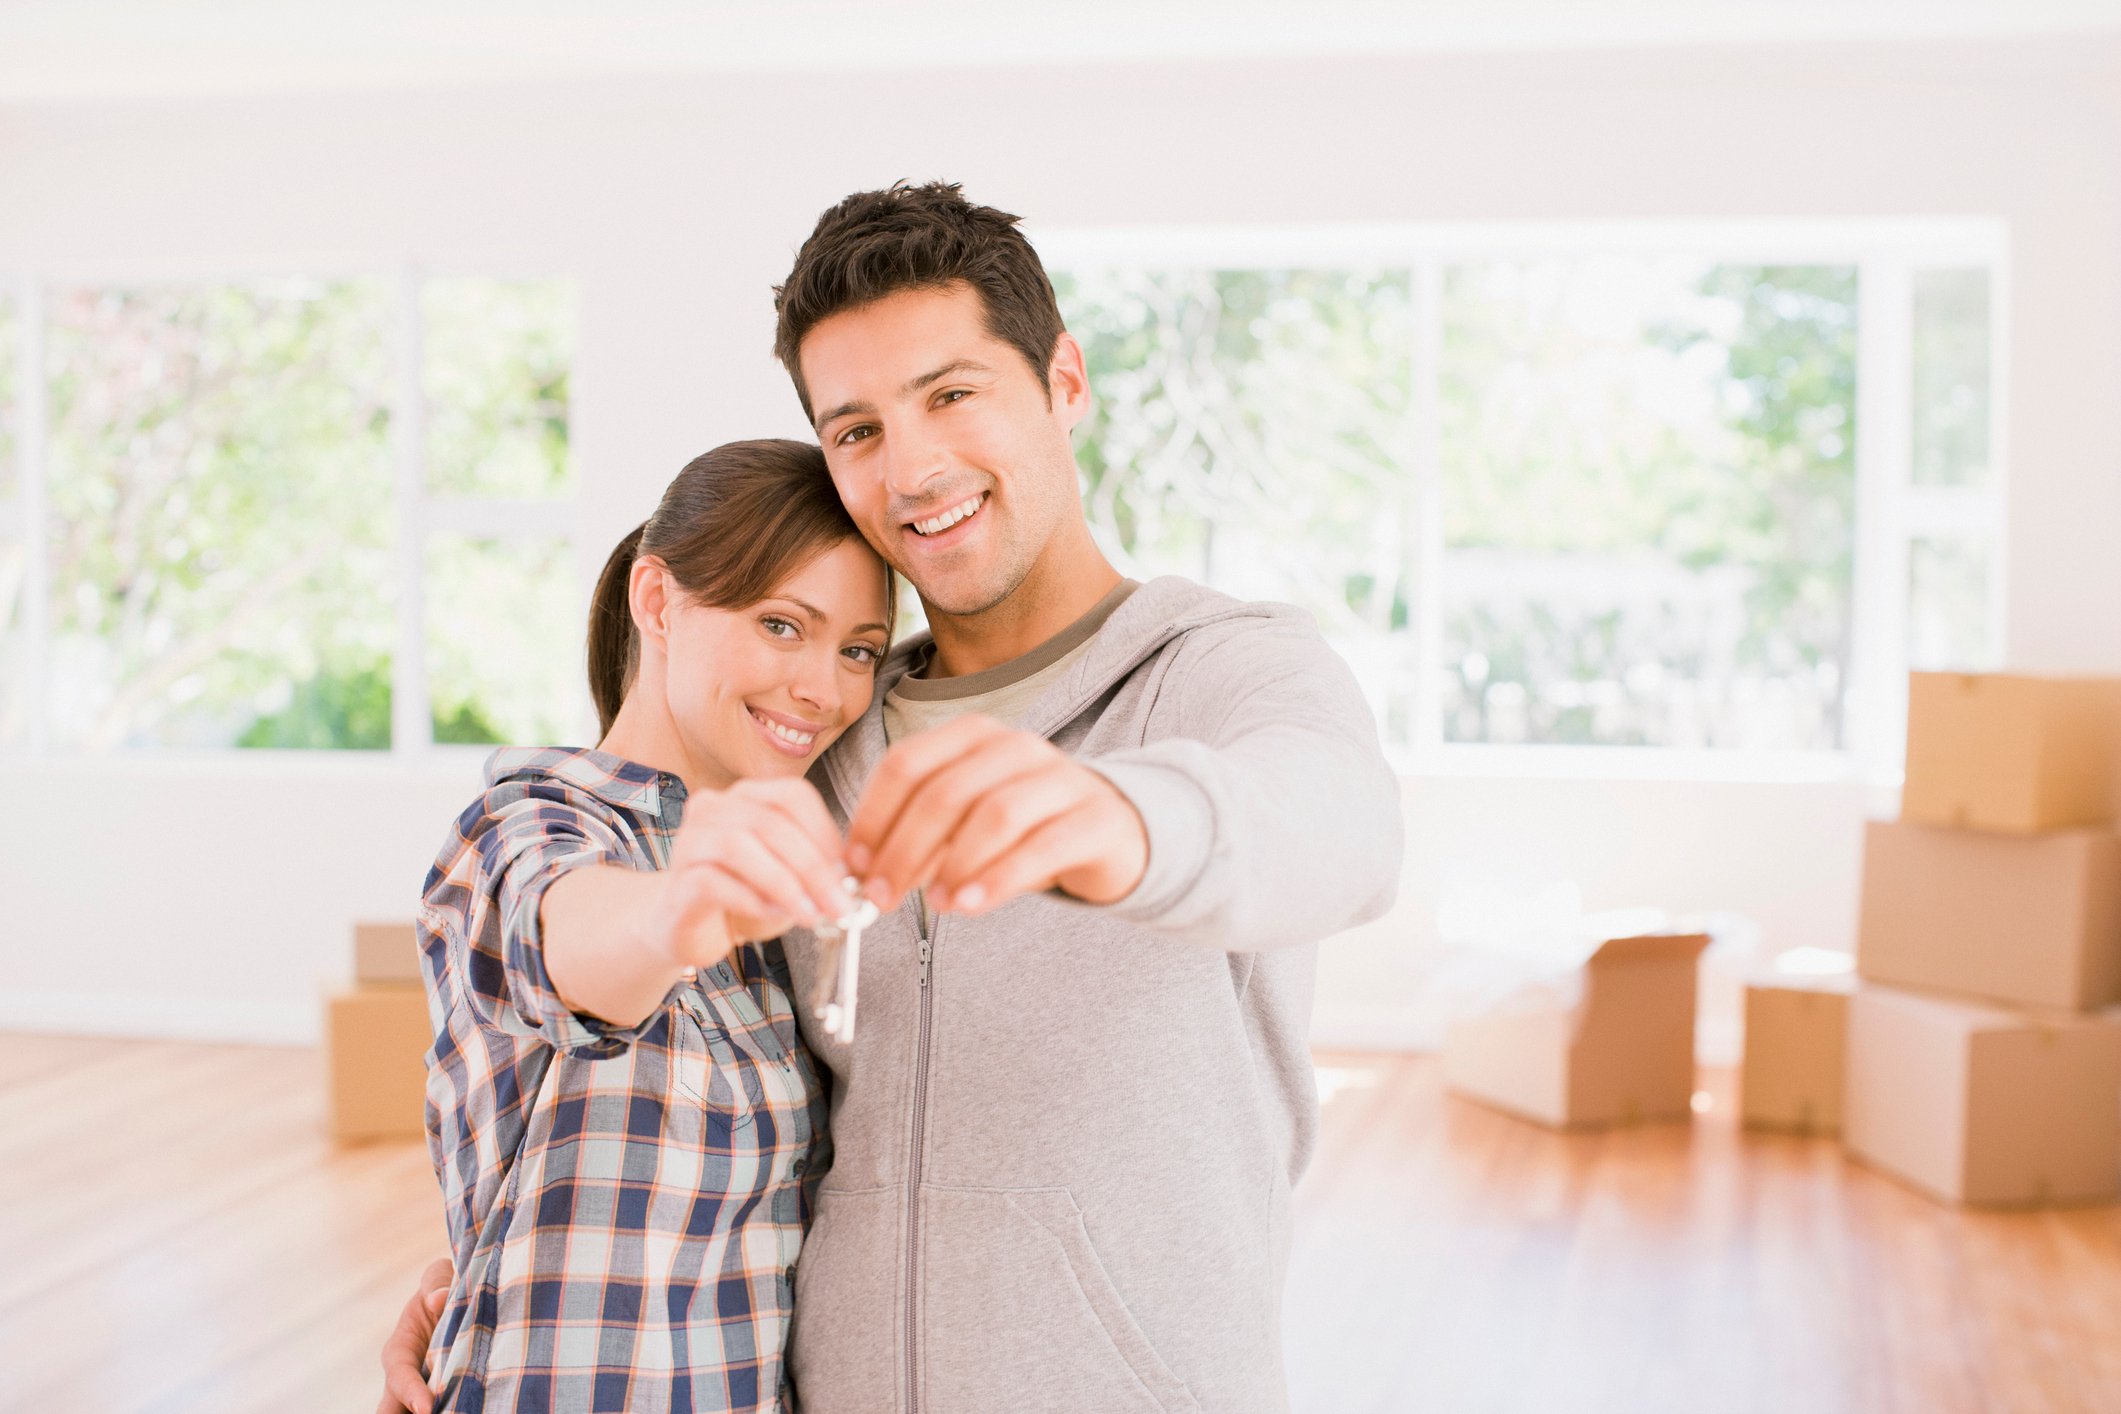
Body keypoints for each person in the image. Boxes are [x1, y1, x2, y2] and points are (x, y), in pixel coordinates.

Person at [385, 183, 1403, 1414]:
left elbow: (1343, 822)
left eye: (953, 393)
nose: (913, 465)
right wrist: (488, 1275)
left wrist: (1125, 820)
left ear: (1064, 382)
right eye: (856, 428)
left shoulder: (1220, 673)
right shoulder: (817, 752)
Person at [408, 439, 892, 1413]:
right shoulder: (529, 822)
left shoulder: (776, 893)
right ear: (658, 601)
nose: (823, 687)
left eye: (857, 650)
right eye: (781, 624)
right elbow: (575, 944)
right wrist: (675, 909)